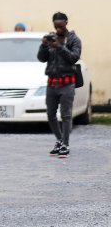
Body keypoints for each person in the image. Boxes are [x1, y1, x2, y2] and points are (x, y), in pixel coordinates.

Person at [37, 11, 82, 159]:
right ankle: (59, 140)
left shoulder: (74, 39)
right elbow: (41, 59)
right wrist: (44, 46)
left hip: (67, 83)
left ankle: (66, 145)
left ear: (66, 23)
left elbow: (74, 58)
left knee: (66, 115)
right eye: (56, 27)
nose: (58, 30)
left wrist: (60, 47)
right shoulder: (51, 38)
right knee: (50, 115)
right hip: (52, 83)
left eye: (61, 26)